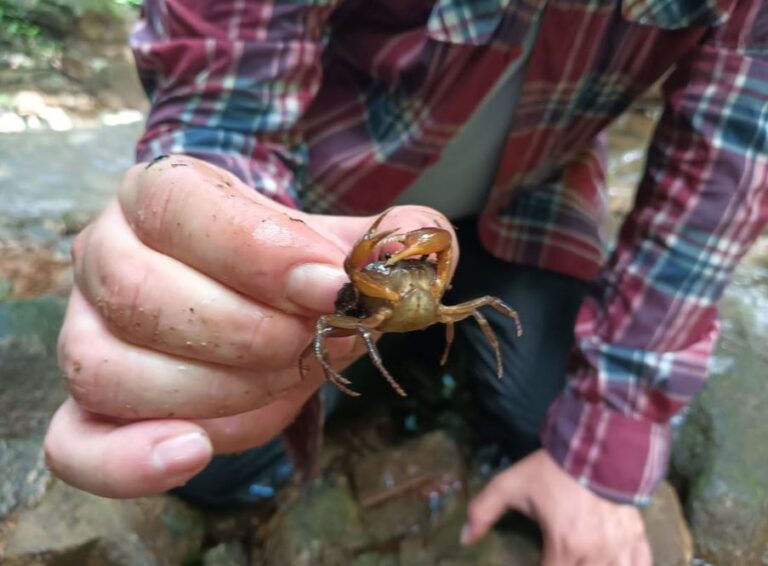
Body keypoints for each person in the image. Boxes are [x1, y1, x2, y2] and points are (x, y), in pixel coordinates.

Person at [44, 1, 767, 564]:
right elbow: (223, 108)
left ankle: (420, 359)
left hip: (526, 203)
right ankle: (377, 367)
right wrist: (200, 250)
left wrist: (607, 446)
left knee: (546, 423)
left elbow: (726, 169)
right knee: (219, 452)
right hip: (325, 222)